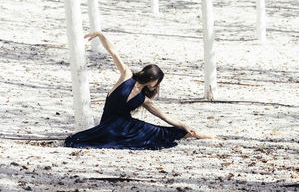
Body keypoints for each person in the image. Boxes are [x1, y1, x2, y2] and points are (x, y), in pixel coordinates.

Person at [65, 31, 213, 150]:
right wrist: (100, 34)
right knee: (157, 133)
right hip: (110, 126)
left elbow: (163, 116)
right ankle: (194, 134)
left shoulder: (141, 95)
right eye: (157, 82)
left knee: (159, 131)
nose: (157, 85)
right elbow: (113, 52)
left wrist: (182, 125)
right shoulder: (126, 75)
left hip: (125, 126)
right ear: (153, 80)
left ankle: (194, 133)